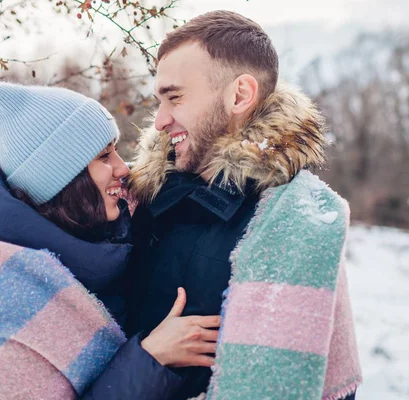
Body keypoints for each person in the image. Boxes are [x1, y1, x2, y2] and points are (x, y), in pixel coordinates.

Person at [126, 10, 363, 400]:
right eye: (159, 101)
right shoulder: (140, 199)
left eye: (175, 97)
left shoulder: (294, 223)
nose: (160, 120)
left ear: (239, 95)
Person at [0, 82, 221, 399]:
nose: (122, 167)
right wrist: (150, 358)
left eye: (115, 150)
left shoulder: (99, 220)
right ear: (63, 179)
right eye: (105, 156)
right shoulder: (2, 314)